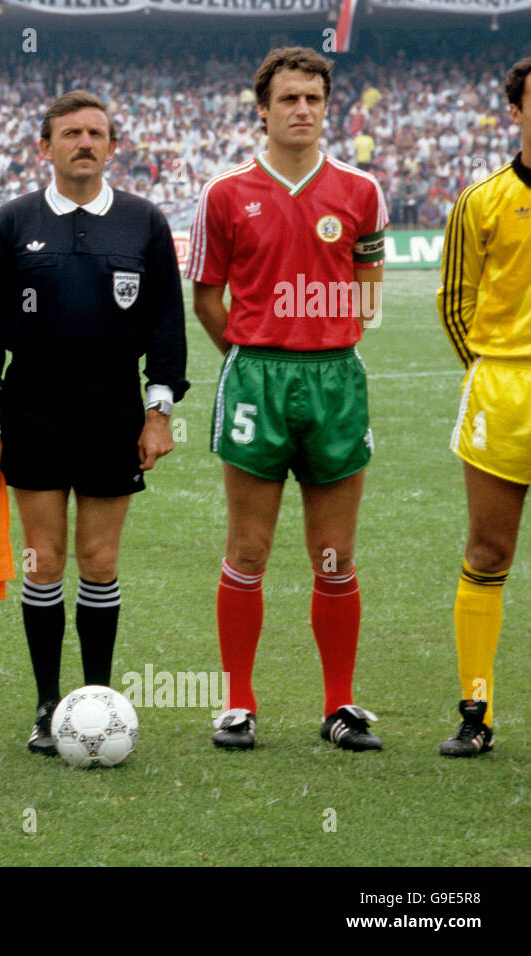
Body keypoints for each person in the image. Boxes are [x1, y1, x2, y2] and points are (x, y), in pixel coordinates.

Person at [0, 91, 188, 755]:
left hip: (112, 412)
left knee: (99, 559)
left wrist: (159, 412)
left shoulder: (143, 222)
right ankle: (44, 703)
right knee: (43, 561)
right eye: (70, 134)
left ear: (112, 147)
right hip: (31, 409)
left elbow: (166, 330)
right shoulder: (11, 223)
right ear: (46, 146)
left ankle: (95, 699)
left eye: (95, 134)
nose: (83, 143)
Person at [187, 47, 389, 752]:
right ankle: (238, 705)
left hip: (336, 378)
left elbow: (369, 285)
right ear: (264, 109)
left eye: (313, 98)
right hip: (256, 379)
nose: (302, 109)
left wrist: (326, 337)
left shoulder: (361, 191)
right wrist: (249, 353)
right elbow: (206, 296)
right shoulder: (225, 193)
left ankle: (339, 707)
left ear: (326, 106)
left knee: (334, 552)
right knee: (248, 548)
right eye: (289, 99)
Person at [435, 57, 531, 757]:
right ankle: (477, 709)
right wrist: (496, 369)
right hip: (503, 389)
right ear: (516, 112)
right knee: (490, 549)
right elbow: (455, 303)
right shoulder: (482, 200)